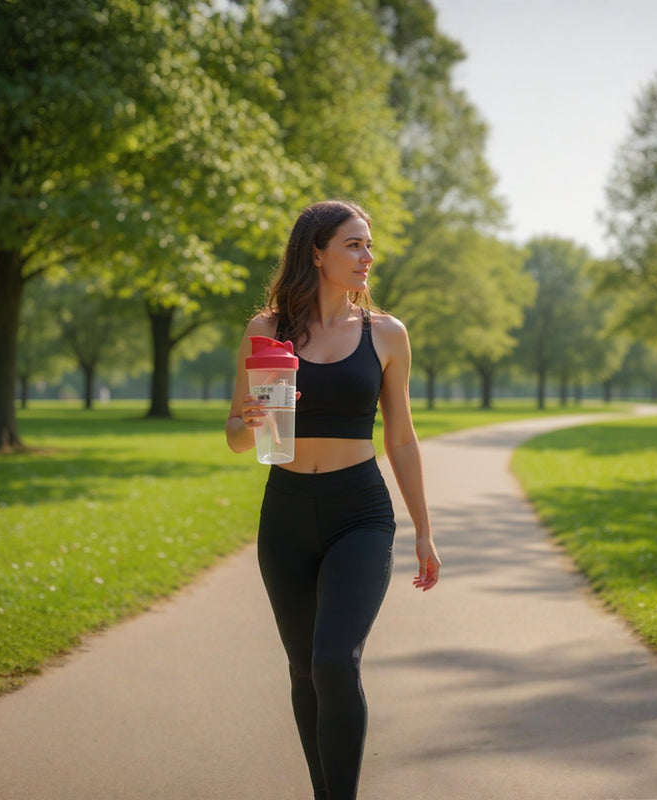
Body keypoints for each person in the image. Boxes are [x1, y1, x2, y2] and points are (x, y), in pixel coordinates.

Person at [225, 199, 441, 800]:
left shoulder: (387, 334)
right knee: (303, 668)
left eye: (368, 245)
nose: (367, 256)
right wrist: (250, 420)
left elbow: (400, 436)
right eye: (354, 245)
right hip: (287, 511)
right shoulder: (266, 331)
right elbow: (240, 440)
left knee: (334, 661)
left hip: (360, 514)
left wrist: (423, 530)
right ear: (316, 253)